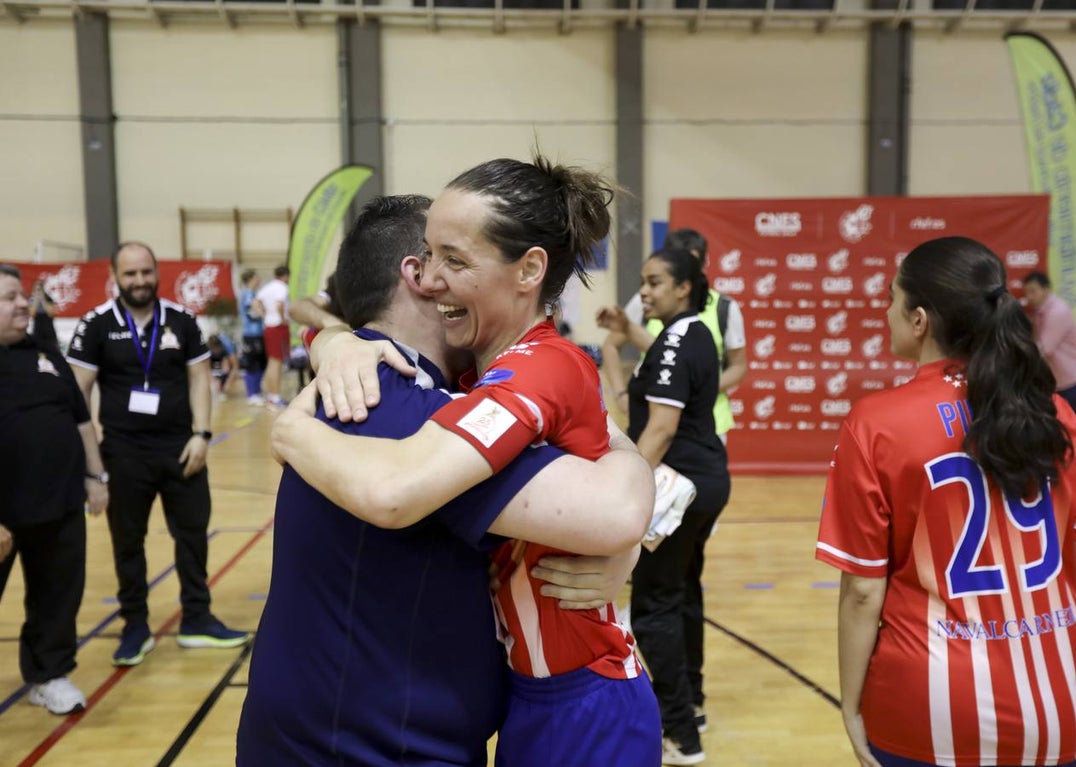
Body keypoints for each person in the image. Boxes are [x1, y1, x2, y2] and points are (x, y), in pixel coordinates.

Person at [273, 154, 663, 767]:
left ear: (529, 270)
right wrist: (330, 337)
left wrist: (292, 433)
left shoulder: (536, 366)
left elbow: (395, 492)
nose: (431, 277)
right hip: (533, 694)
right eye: (428, 258)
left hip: (580, 696)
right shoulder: (478, 377)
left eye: (453, 260)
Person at [816, 237, 1076, 767]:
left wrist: (851, 704)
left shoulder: (876, 423)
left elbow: (863, 591)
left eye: (891, 299)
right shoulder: (1058, 416)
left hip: (924, 711)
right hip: (1055, 711)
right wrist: (1049, 640)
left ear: (920, 320)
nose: (885, 313)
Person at [66, 241, 250, 667]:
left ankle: (197, 619)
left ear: (157, 272)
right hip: (123, 453)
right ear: (115, 278)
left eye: (146, 272)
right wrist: (91, 463)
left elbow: (200, 380)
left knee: (192, 536)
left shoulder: (182, 321)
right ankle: (135, 624)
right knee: (127, 542)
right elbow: (78, 393)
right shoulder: (95, 325)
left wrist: (202, 434)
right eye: (130, 274)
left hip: (180, 448)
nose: (140, 281)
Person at [625, 248, 731, 766]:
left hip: (678, 489)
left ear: (685, 287)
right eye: (643, 283)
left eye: (655, 282)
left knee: (653, 608)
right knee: (683, 594)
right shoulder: (691, 335)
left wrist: (625, 488)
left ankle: (681, 737)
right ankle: (694, 703)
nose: (645, 291)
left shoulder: (677, 338)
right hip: (706, 481)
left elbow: (661, 429)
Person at [0, 264, 108, 715]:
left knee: (57, 594)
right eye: (9, 298)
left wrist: (94, 475)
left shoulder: (44, 352)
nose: (23, 303)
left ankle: (49, 674)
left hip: (60, 503)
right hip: (4, 514)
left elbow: (80, 416)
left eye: (22, 295)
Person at [597, 228, 747, 443]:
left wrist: (697, 390)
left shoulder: (722, 309)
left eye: (691, 263)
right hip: (651, 422)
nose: (645, 291)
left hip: (704, 427)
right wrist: (621, 396)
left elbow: (737, 365)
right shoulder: (646, 303)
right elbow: (657, 350)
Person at [1023, 270, 1076, 481]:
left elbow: (1044, 348)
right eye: (1028, 292)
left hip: (1074, 378)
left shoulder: (1056, 311)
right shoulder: (1040, 312)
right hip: (1059, 380)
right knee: (1059, 425)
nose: (1030, 297)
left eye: (1033, 291)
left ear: (1046, 289)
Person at [255, 264, 291, 407]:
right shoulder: (282, 287)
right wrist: (281, 318)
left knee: (272, 361)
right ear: (286, 276)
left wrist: (265, 315)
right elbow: (280, 305)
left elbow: (255, 303)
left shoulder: (267, 287)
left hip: (269, 325)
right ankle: (275, 397)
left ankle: (272, 395)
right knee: (277, 362)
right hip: (278, 326)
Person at [237, 269, 267, 406]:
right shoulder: (248, 294)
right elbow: (255, 307)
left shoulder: (254, 294)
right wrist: (265, 313)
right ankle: (252, 394)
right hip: (250, 335)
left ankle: (257, 391)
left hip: (259, 334)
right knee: (251, 364)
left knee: (261, 363)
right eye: (257, 277)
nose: (259, 280)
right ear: (250, 279)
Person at [29, 279, 59, 352]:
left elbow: (50, 313)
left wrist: (43, 298)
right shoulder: (31, 300)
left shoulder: (49, 299)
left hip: (49, 329)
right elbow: (32, 313)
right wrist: (36, 298)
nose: (38, 290)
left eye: (40, 288)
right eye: (36, 288)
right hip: (37, 329)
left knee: (53, 351)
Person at [206, 333, 237, 399]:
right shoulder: (206, 349)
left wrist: (229, 381)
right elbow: (207, 368)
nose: (216, 351)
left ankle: (222, 387)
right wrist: (213, 381)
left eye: (217, 349)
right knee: (215, 377)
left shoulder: (228, 346)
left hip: (225, 354)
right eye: (214, 350)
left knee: (226, 368)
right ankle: (219, 387)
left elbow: (235, 366)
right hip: (212, 355)